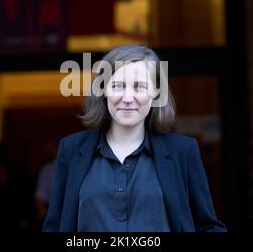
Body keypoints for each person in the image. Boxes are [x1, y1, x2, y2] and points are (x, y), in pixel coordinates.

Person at [42, 44, 226, 232]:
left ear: (156, 92)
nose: (128, 97)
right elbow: (54, 227)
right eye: (117, 86)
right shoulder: (71, 149)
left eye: (139, 86)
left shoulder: (183, 151)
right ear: (103, 89)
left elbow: (209, 227)